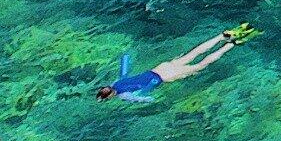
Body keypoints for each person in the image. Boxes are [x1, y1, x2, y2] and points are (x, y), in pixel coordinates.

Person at [97, 24, 253, 101]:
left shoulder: (123, 96)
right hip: (160, 68)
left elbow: (144, 98)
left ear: (109, 96)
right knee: (194, 53)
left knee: (200, 66)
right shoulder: (116, 82)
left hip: (164, 77)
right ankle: (222, 36)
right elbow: (124, 68)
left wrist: (151, 97)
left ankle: (230, 45)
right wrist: (125, 57)